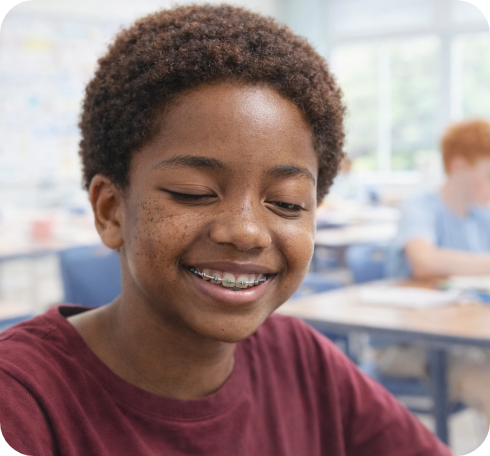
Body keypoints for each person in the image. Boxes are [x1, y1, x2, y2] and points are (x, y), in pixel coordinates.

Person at [0, 5, 450, 455]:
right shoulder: (23, 401)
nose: (247, 231)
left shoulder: (299, 360)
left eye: (287, 203)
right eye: (194, 192)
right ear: (111, 210)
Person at [384, 118, 490, 427]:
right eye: (487, 173)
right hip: (412, 347)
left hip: (468, 339)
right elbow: (424, 261)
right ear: (459, 166)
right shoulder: (420, 205)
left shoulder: (480, 215)